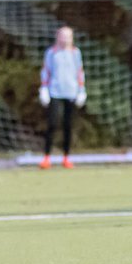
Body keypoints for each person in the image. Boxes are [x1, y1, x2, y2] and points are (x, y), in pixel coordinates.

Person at [38, 26, 86, 169]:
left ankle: (66, 157)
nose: (65, 39)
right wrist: (44, 88)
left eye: (68, 36)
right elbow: (46, 70)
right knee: (52, 124)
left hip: (71, 92)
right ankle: (46, 157)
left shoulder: (76, 53)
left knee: (68, 126)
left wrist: (81, 90)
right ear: (57, 37)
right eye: (63, 36)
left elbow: (79, 72)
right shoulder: (51, 53)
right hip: (55, 92)